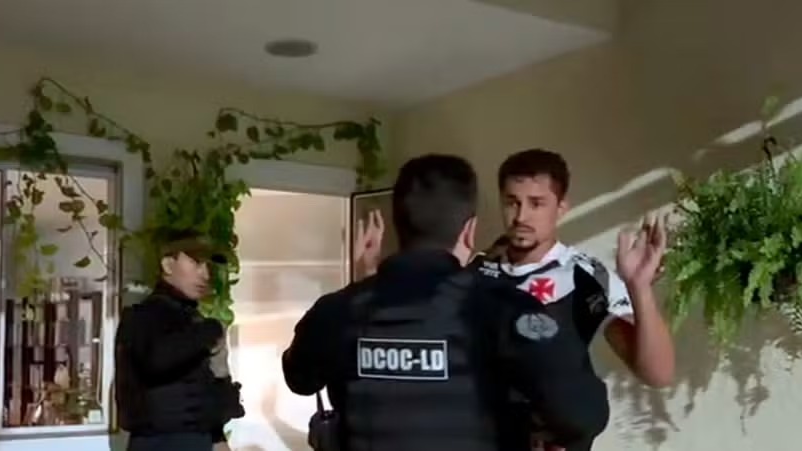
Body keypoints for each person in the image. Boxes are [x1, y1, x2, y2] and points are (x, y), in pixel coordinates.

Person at [281, 154, 610, 451]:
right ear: (469, 231)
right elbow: (583, 417)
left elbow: (299, 379)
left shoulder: (338, 309)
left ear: (398, 223)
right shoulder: (506, 309)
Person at [476, 149, 676, 450]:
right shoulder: (477, 270)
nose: (521, 216)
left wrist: (640, 287)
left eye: (536, 203)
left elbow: (658, 374)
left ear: (561, 209)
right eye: (512, 202)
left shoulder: (585, 276)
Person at [115, 231, 244, 451]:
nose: (205, 274)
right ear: (168, 264)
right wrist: (208, 333)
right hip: (159, 442)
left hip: (195, 439)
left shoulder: (193, 319)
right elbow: (157, 360)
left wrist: (217, 437)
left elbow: (204, 384)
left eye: (208, 265)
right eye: (196, 262)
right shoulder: (143, 316)